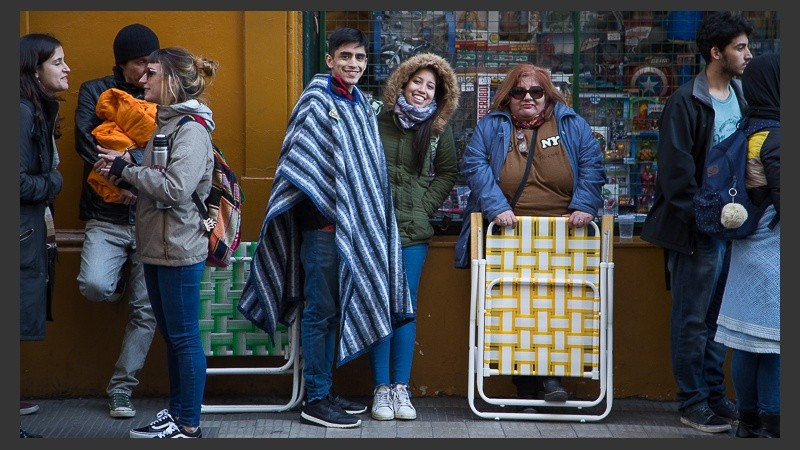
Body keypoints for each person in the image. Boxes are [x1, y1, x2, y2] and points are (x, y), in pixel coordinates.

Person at [237, 27, 413, 429]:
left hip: (353, 232)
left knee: (334, 313)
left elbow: (367, 174)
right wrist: (330, 215)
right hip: (323, 232)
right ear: (330, 60)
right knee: (321, 313)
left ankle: (325, 389)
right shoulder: (317, 101)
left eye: (360, 58)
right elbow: (301, 168)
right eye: (346, 57)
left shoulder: (359, 106)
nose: (353, 64)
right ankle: (315, 398)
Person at [454, 63, 605, 403]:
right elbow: (475, 165)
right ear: (507, 97)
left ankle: (552, 378)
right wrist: (496, 208)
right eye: (519, 92)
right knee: (514, 305)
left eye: (536, 92)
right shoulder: (490, 127)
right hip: (507, 232)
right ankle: (522, 381)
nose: (528, 98)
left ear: (547, 94)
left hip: (565, 234)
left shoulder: (570, 124)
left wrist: (583, 204)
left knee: (560, 304)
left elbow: (593, 164)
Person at [94, 46, 218, 439]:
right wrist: (128, 171)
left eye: (151, 74)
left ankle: (188, 423)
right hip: (160, 246)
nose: (142, 80)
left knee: (183, 337)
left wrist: (128, 171)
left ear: (172, 82)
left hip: (179, 248)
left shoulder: (192, 130)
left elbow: (177, 188)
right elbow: (160, 179)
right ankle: (177, 414)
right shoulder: (167, 125)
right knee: (173, 336)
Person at [639, 11, 753, 433]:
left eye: (747, 46)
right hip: (695, 231)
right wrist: (708, 219)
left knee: (716, 321)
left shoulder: (743, 98)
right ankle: (692, 402)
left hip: (732, 230)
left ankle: (713, 395)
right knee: (691, 319)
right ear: (716, 52)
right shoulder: (686, 101)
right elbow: (675, 177)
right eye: (740, 47)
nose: (747, 54)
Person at [74, 23, 160, 419]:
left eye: (151, 63)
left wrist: (132, 175)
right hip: (106, 213)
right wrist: (119, 178)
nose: (146, 71)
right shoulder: (95, 91)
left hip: (149, 217)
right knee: (94, 285)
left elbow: (167, 152)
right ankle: (115, 277)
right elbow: (88, 143)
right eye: (140, 62)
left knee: (146, 311)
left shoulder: (163, 93)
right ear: (122, 62)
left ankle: (121, 389)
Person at [369, 53, 460, 421]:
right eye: (417, 82)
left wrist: (423, 206)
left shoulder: (439, 129)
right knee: (378, 308)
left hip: (413, 232)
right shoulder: (377, 118)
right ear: (403, 82)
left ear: (438, 96)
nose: (422, 90)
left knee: (404, 311)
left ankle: (401, 388)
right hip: (374, 227)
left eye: (431, 87)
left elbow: (448, 172)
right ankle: (380, 389)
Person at [714, 53, 780, 439]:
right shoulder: (777, 136)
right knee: (774, 341)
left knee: (744, 339)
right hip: (774, 246)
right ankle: (774, 419)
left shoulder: (744, 130)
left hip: (745, 245)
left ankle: (749, 418)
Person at [19, 32, 69, 439]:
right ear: (34, 70)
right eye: (57, 62)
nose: (66, 68)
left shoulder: (35, 110)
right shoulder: (20, 113)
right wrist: (53, 181)